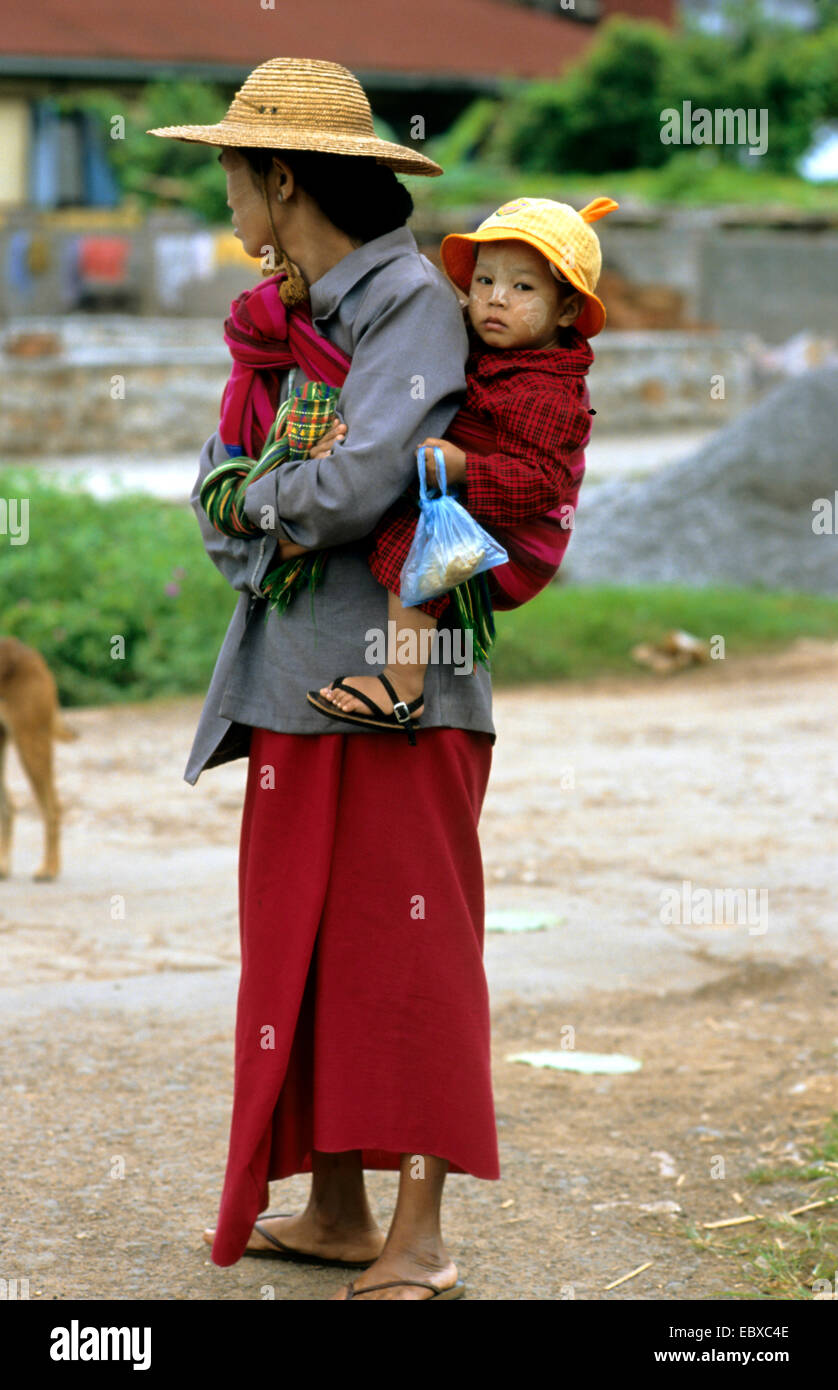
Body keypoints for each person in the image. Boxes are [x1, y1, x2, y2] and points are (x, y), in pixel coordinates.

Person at [148, 57, 498, 1300]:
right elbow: (216, 487)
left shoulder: (407, 303)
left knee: (408, 955)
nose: (229, 208)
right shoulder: (278, 320)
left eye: (234, 180)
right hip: (295, 675)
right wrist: (267, 507)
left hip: (396, 689)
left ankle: (421, 1240)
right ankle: (340, 1211)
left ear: (282, 177)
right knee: (303, 947)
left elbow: (354, 488)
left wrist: (265, 504)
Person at [307, 196, 618, 741]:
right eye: (484, 281)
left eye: (524, 288)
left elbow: (540, 485)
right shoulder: (471, 341)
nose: (496, 299)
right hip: (476, 500)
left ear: (567, 312)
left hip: (518, 541)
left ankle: (402, 686)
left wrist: (466, 468)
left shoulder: (548, 390)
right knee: (382, 487)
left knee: (412, 534)